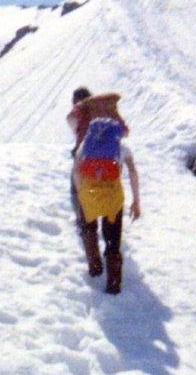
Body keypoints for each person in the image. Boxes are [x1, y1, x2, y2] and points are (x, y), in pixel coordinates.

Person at [67, 87, 141, 294]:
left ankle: (94, 268)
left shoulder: (85, 147)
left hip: (89, 194)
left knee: (89, 228)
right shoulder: (120, 148)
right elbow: (133, 174)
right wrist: (136, 202)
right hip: (112, 197)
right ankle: (113, 284)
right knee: (113, 239)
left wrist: (82, 193)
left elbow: (76, 172)